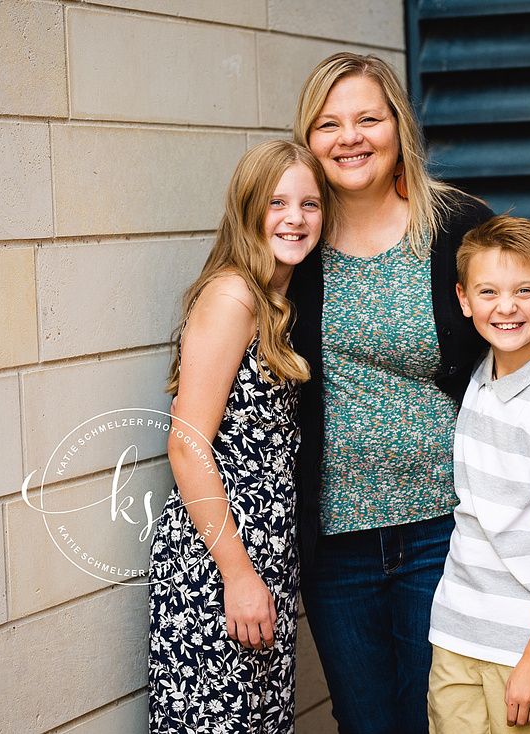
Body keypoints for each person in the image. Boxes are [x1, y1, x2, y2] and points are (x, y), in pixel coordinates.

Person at [286, 53, 530, 733]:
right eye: (329, 123)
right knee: (366, 721)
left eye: (368, 119)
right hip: (338, 542)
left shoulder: (454, 223)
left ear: (397, 124)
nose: (350, 137)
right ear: (309, 138)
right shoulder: (297, 235)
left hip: (448, 533)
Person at [148, 139, 333, 734]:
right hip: (218, 561)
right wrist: (238, 573)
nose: (296, 218)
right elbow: (186, 444)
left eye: (310, 203)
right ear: (249, 210)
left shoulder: (280, 300)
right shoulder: (232, 297)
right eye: (277, 202)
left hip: (265, 558)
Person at [427, 215, 530, 734]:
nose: (506, 306)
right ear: (463, 299)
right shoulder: (484, 370)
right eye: (489, 291)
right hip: (458, 635)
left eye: (525, 290)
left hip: (527, 647)